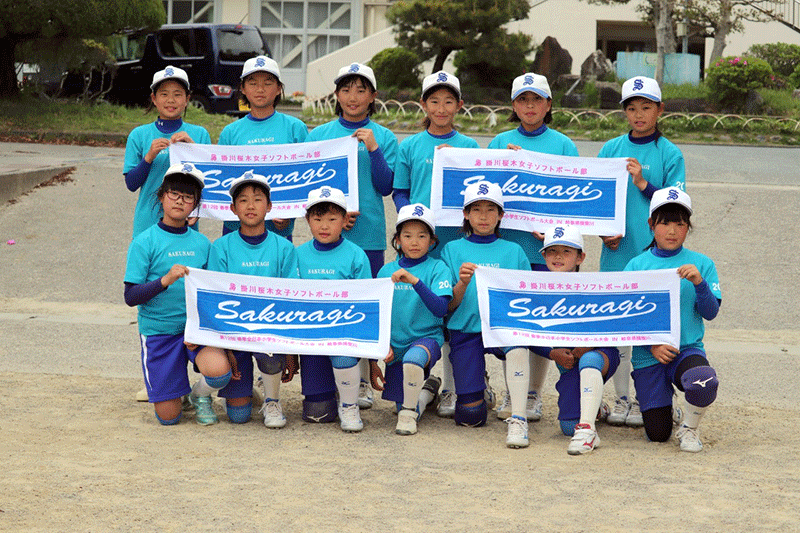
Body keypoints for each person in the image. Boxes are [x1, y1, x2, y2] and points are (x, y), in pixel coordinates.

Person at [487, 73, 580, 425]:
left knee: (543, 325)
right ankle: (512, 390)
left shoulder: (562, 145)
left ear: (549, 104)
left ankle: (533, 394)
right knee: (513, 325)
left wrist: (557, 232)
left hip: (549, 254)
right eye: (523, 99)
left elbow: (576, 197)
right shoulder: (499, 143)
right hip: (508, 250)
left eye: (537, 99)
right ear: (513, 105)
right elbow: (485, 197)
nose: (530, 106)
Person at [305, 63, 398, 409]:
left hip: (368, 235)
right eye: (346, 90)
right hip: (328, 235)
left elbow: (386, 185)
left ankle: (358, 380)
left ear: (373, 96)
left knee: (360, 307)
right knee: (328, 305)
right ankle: (330, 375)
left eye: (361, 90)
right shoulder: (319, 135)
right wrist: (334, 215)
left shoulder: (383, 136)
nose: (353, 97)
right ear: (336, 95)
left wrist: (374, 148)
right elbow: (307, 184)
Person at [597, 76, 687, 427]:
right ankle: (621, 399)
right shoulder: (611, 149)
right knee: (620, 325)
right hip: (617, 252)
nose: (638, 114)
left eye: (646, 107)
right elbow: (595, 200)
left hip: (656, 254)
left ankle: (651, 397)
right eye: (632, 108)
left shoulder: (670, 153)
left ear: (660, 110)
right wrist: (604, 232)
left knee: (653, 324)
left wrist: (643, 184)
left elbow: (677, 206)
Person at [392, 70, 479, 419]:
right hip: (421, 239)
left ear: (459, 105)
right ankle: (429, 380)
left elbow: (480, 193)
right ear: (423, 105)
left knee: (454, 311)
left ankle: (456, 387)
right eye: (433, 101)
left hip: (456, 240)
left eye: (448, 101)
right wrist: (409, 222)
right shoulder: (410, 145)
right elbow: (399, 189)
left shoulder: (469, 146)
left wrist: (455, 159)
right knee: (424, 308)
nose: (440, 108)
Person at [123, 163, 232, 426]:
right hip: (159, 332)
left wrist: (202, 330)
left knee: (220, 373)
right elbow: (130, 296)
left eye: (188, 196)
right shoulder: (144, 242)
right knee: (169, 418)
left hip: (194, 331)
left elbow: (211, 293)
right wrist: (165, 280)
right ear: (161, 196)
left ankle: (199, 395)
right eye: (174, 194)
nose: (179, 201)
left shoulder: (202, 243)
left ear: (195, 204)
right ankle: (175, 392)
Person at [623, 187, 720, 452]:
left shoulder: (702, 263)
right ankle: (668, 407)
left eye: (680, 223)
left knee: (704, 381)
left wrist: (700, 283)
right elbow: (625, 319)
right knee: (657, 434)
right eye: (665, 223)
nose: (673, 231)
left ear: (688, 227)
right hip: (647, 355)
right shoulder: (636, 266)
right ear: (651, 224)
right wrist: (652, 346)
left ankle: (689, 428)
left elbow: (711, 313)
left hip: (686, 350)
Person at [205, 171, 300, 427]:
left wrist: (289, 351)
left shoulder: (284, 248)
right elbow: (214, 298)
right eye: (243, 200)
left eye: (258, 199)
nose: (250, 205)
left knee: (270, 355)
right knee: (238, 417)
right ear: (232, 208)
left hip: (268, 331)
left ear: (269, 207)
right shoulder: (221, 247)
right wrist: (226, 347)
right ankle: (202, 393)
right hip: (233, 332)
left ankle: (272, 400)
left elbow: (291, 301)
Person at [441, 181, 531, 447]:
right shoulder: (452, 249)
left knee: (517, 348)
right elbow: (449, 305)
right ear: (466, 214)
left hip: (503, 330)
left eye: (491, 209)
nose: (483, 216)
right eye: (476, 209)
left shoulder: (514, 251)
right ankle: (480, 388)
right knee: (470, 417)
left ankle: (519, 414)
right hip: (466, 330)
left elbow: (526, 300)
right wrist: (462, 283)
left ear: (501, 215)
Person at [534, 226, 620, 455]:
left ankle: (588, 430)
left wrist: (587, 345)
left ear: (581, 257)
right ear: (543, 255)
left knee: (589, 360)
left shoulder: (594, 286)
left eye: (566, 251)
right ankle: (595, 408)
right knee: (566, 427)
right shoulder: (537, 290)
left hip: (598, 353)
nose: (558, 256)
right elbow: (525, 333)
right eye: (552, 251)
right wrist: (551, 353)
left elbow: (613, 324)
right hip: (568, 361)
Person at [295, 186, 373, 432]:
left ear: (345, 220)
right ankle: (330, 394)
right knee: (317, 414)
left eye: (332, 219)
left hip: (344, 334)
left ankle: (350, 405)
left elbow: (368, 302)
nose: (324, 226)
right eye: (317, 219)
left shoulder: (356, 255)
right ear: (307, 220)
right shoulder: (297, 255)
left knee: (342, 358)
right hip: (311, 339)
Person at [377, 204, 452, 435]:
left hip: (425, 338)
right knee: (399, 402)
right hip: (395, 342)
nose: (414, 241)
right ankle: (428, 390)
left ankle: (409, 415)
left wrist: (415, 282)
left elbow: (440, 308)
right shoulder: (385, 271)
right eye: (407, 236)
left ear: (431, 241)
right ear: (397, 240)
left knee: (413, 361)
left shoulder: (438, 268)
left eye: (422, 236)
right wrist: (382, 344)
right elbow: (377, 313)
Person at [217, 55, 308, 239]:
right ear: (243, 88)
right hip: (235, 230)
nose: (260, 89)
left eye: (268, 83)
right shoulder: (230, 132)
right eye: (252, 83)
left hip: (278, 229)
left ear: (278, 88)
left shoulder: (295, 128)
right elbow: (220, 180)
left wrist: (289, 212)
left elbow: (307, 177)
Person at [124, 66, 211, 239]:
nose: (171, 100)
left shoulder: (200, 134)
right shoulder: (139, 135)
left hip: (186, 223)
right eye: (164, 94)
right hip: (147, 223)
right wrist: (149, 157)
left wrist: (192, 149)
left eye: (177, 94)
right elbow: (131, 184)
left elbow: (210, 181)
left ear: (187, 99)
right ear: (154, 99)